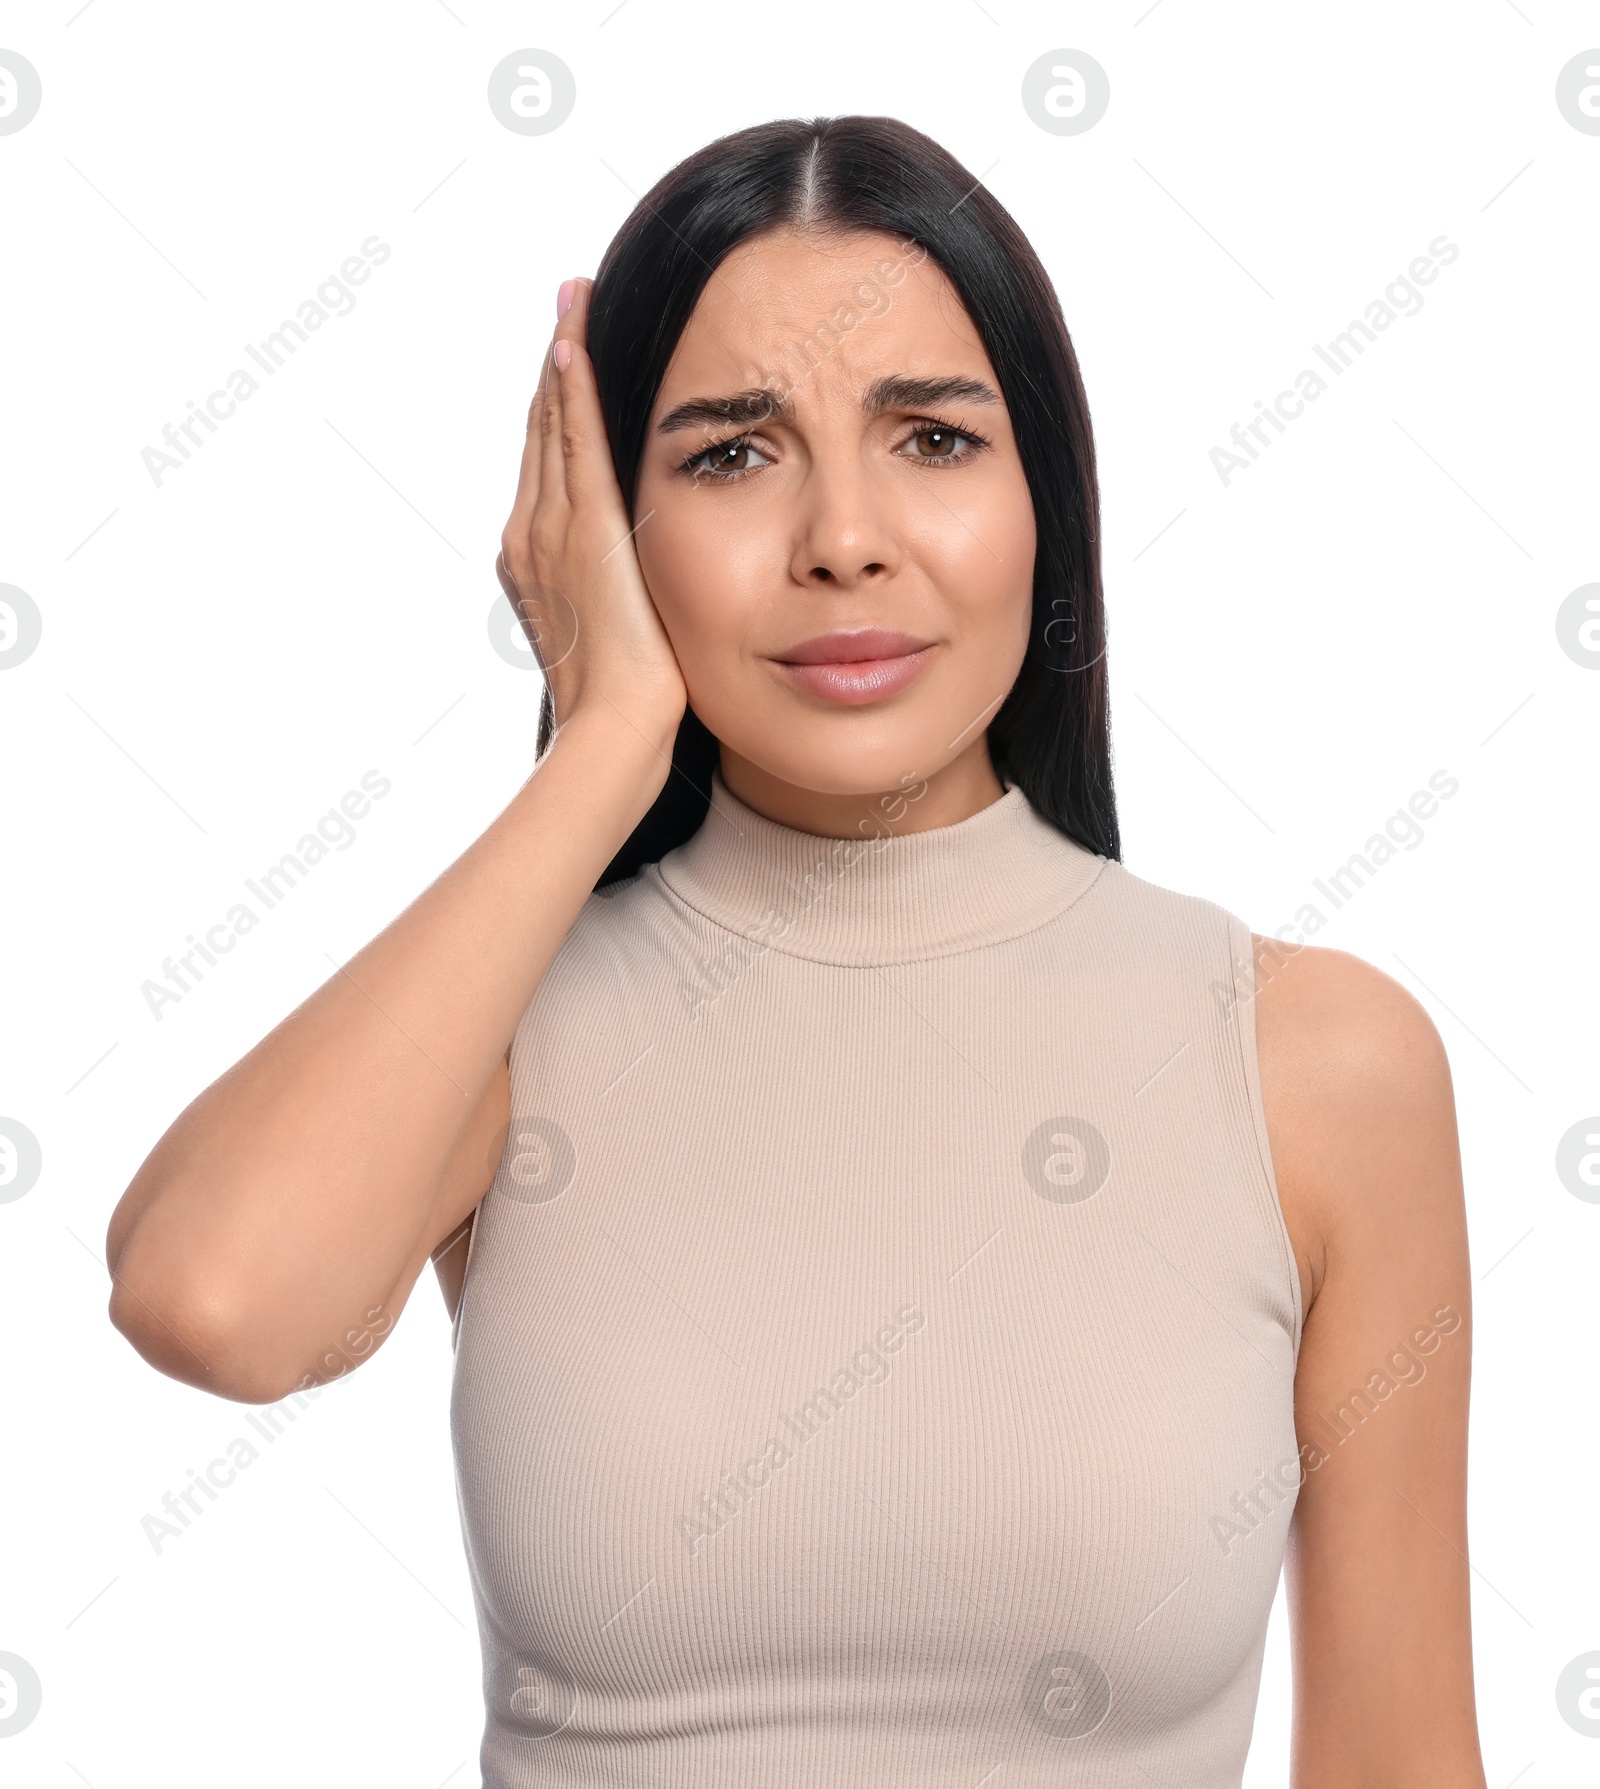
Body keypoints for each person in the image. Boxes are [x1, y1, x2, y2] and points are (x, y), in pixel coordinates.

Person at [105, 116, 1487, 1786]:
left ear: (1043, 495)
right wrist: (605, 733)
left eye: (931, 438)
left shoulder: (1309, 1061)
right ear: (607, 533)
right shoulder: (500, 1035)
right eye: (730, 454)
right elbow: (212, 1300)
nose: (844, 534)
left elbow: (1405, 1761)